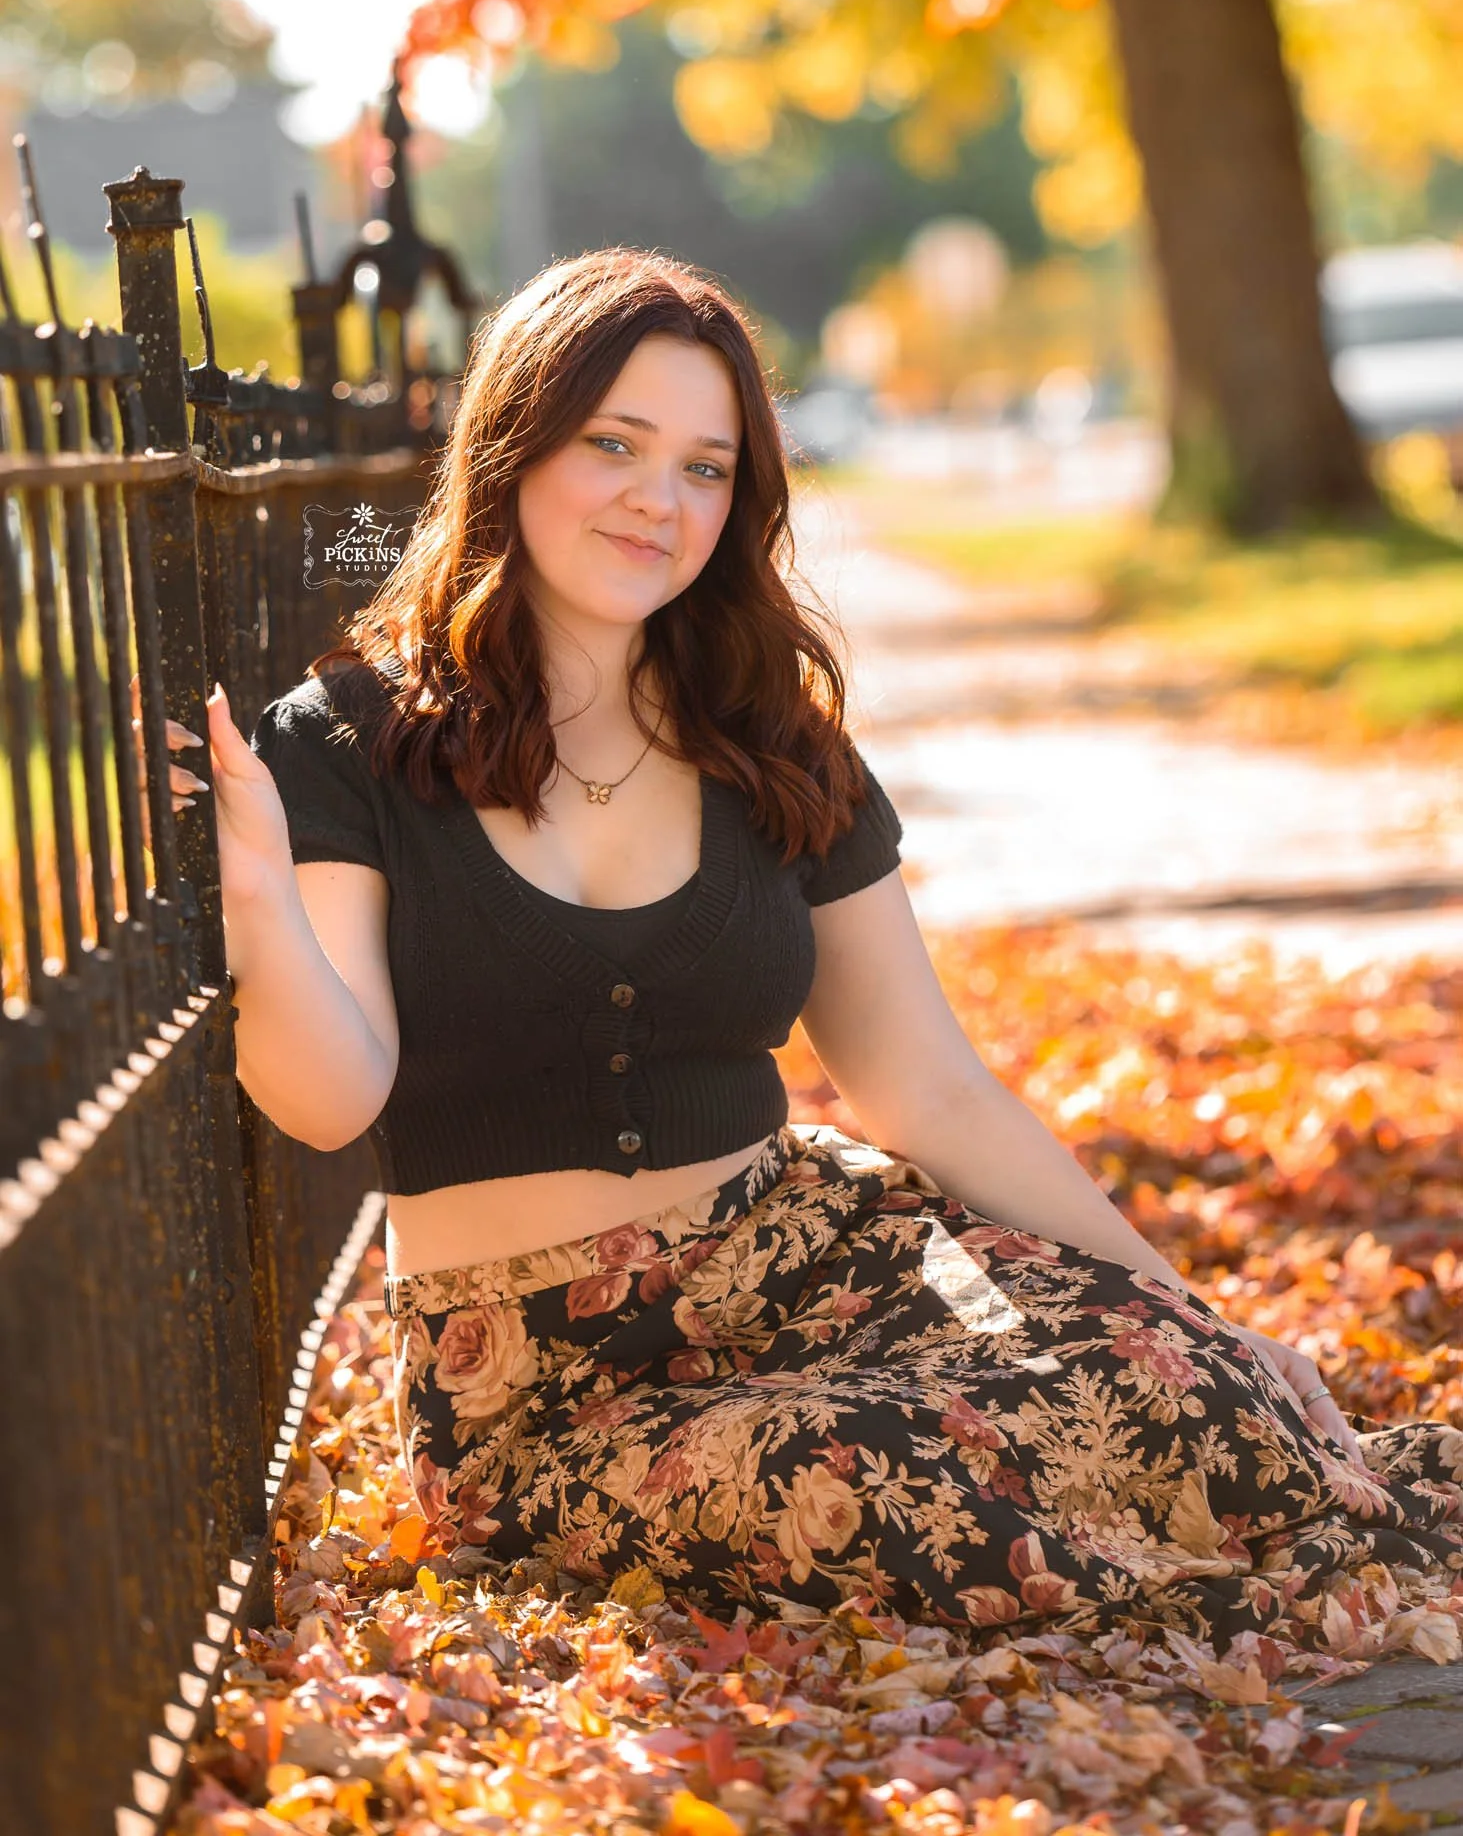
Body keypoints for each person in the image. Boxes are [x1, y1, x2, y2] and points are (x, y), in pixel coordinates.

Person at [161, 247, 1462, 1645]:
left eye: (706, 468)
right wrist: (255, 888)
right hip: (545, 1393)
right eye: (614, 445)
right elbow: (329, 1095)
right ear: (513, 448)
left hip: (807, 1263)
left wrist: (1193, 1314)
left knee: (1186, 1383)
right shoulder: (351, 742)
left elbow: (929, 1088)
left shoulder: (766, 738)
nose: (660, 502)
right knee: (875, 1477)